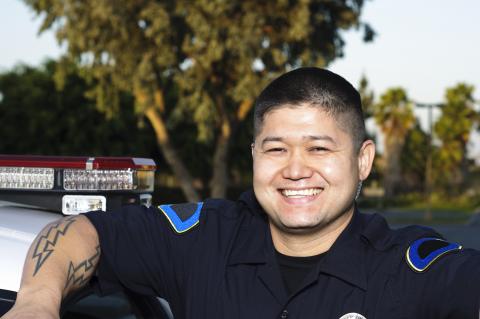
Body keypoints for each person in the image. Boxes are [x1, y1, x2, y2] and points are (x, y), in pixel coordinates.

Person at [3, 67, 479, 319]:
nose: (296, 169)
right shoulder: (202, 240)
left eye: (319, 148)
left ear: (363, 161)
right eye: (276, 148)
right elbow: (82, 231)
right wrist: (36, 302)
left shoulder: (409, 270)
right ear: (254, 155)